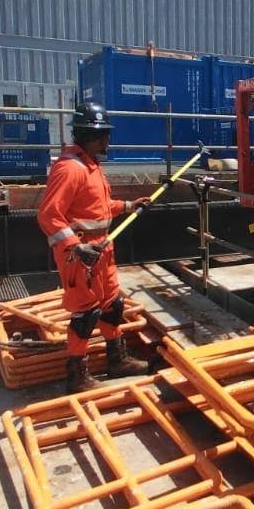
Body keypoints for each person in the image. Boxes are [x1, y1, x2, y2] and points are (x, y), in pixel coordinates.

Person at [37, 101, 152, 392]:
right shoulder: (70, 169)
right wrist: (75, 246)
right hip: (81, 258)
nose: (108, 140)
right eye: (104, 135)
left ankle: (117, 360)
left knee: (112, 304)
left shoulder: (92, 167)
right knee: (86, 313)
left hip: (102, 252)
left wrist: (128, 205)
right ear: (90, 135)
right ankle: (77, 377)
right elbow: (49, 214)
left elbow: (97, 210)